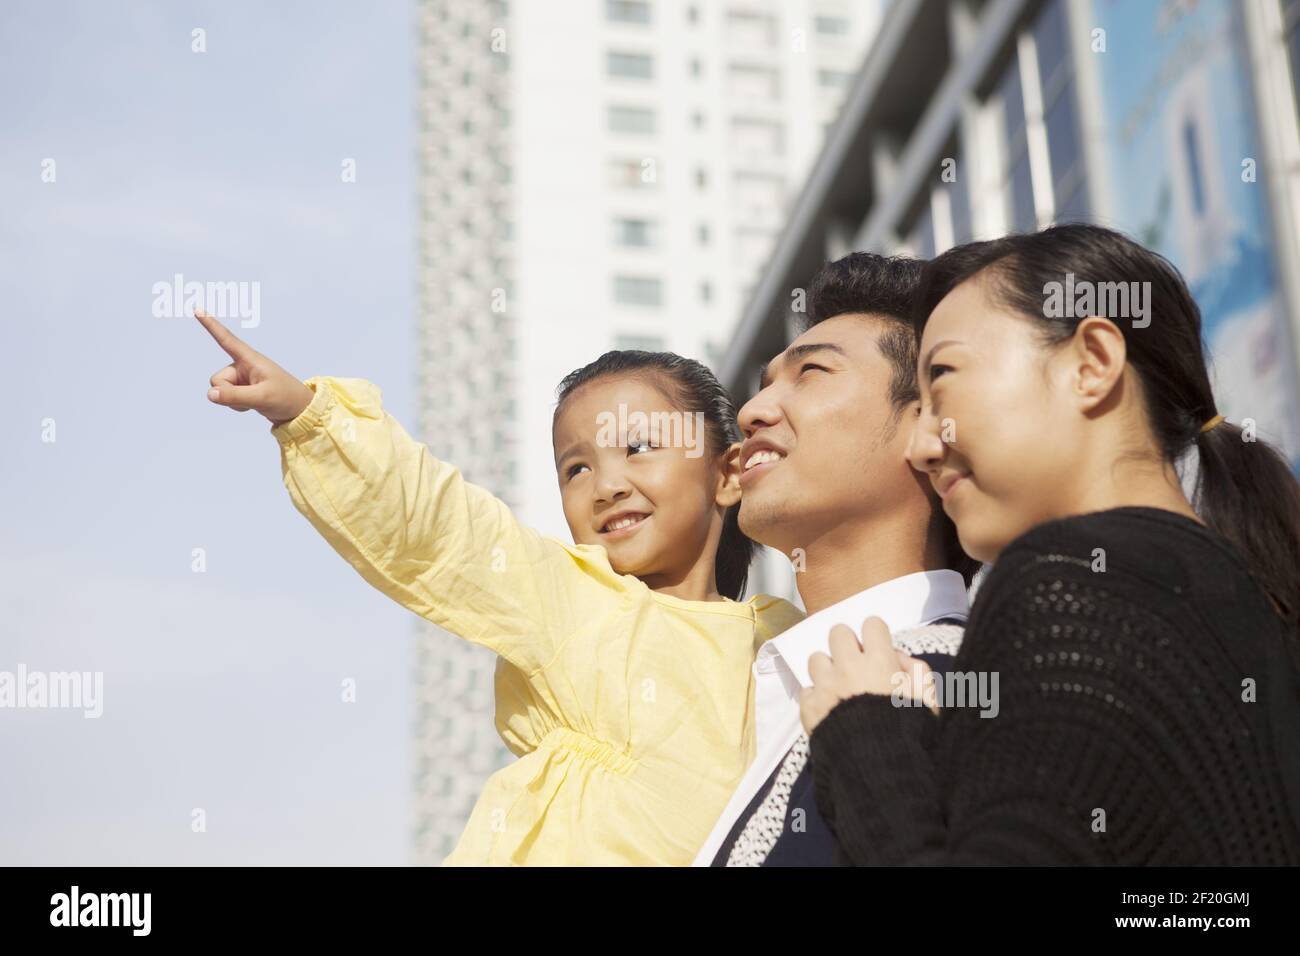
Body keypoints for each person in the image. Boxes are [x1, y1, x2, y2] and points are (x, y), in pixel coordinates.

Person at [195, 310, 803, 865]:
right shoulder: (572, 600)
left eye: (638, 447)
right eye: (576, 468)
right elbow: (444, 528)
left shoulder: (786, 642)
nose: (607, 484)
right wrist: (308, 415)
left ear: (726, 474)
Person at [802, 223, 1300, 864]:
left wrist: (867, 731)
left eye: (944, 378)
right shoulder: (1248, 603)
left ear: (1092, 363)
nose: (924, 447)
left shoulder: (1066, 581)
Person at [693, 253, 980, 866]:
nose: (752, 411)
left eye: (813, 372)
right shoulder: (748, 706)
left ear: (928, 427)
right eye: (766, 383)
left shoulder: (977, 691)